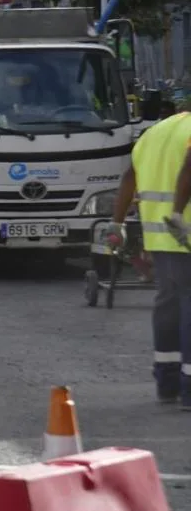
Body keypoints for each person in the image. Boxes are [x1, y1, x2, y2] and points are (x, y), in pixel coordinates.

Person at [111, 104, 191, 409]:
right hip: (183, 231)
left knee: (169, 303)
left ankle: (168, 383)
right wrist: (177, 213)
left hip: (159, 236)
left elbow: (129, 176)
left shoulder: (153, 133)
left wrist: (116, 223)